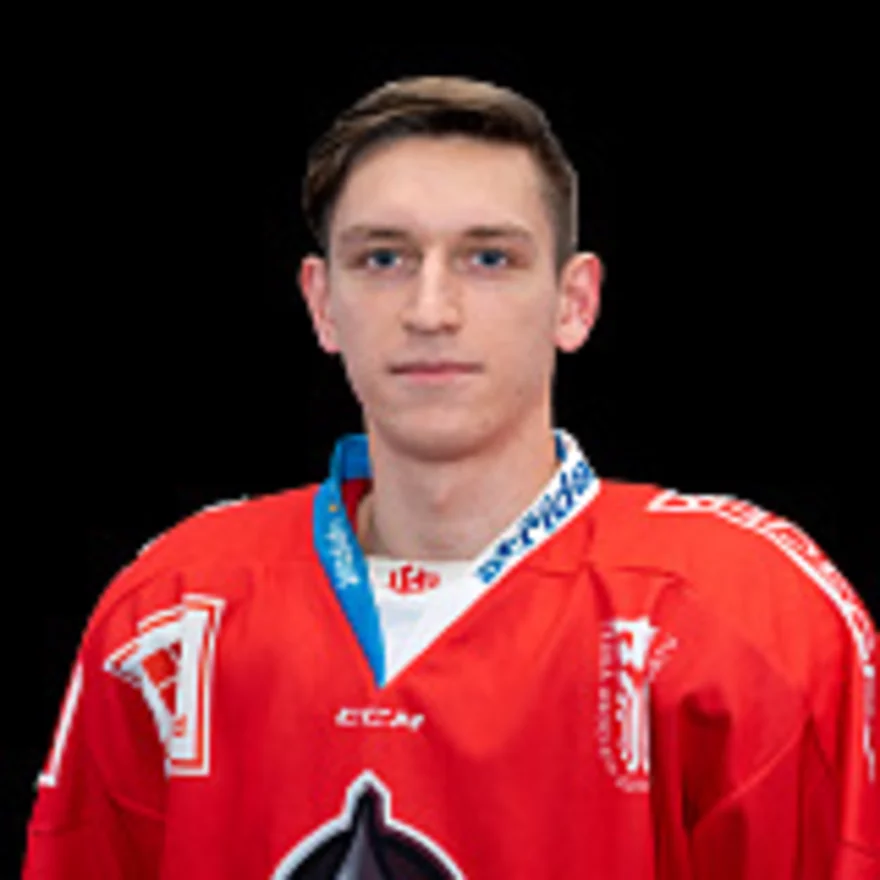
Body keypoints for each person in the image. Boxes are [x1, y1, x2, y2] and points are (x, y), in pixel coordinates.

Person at [23, 75, 878, 878]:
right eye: (383, 259)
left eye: (489, 258)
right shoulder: (173, 609)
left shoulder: (742, 614)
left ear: (575, 302)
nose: (431, 311)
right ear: (321, 303)